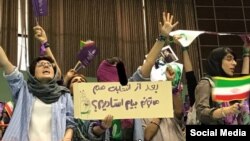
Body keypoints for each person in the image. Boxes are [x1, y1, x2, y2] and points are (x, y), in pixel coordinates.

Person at [87, 11, 179, 141]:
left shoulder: (131, 89)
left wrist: (162, 37)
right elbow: (91, 132)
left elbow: (149, 63)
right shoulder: (96, 98)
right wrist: (102, 126)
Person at [0, 46, 75, 140]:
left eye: (49, 65)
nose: (46, 66)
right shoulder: (23, 89)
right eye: (40, 65)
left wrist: (67, 138)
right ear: (33, 74)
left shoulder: (64, 95)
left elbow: (70, 122)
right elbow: (6, 64)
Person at [195, 46, 250, 125]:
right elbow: (201, 113)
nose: (235, 63)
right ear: (217, 62)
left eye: (234, 59)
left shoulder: (227, 85)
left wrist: (246, 54)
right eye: (229, 59)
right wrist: (226, 111)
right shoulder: (206, 83)